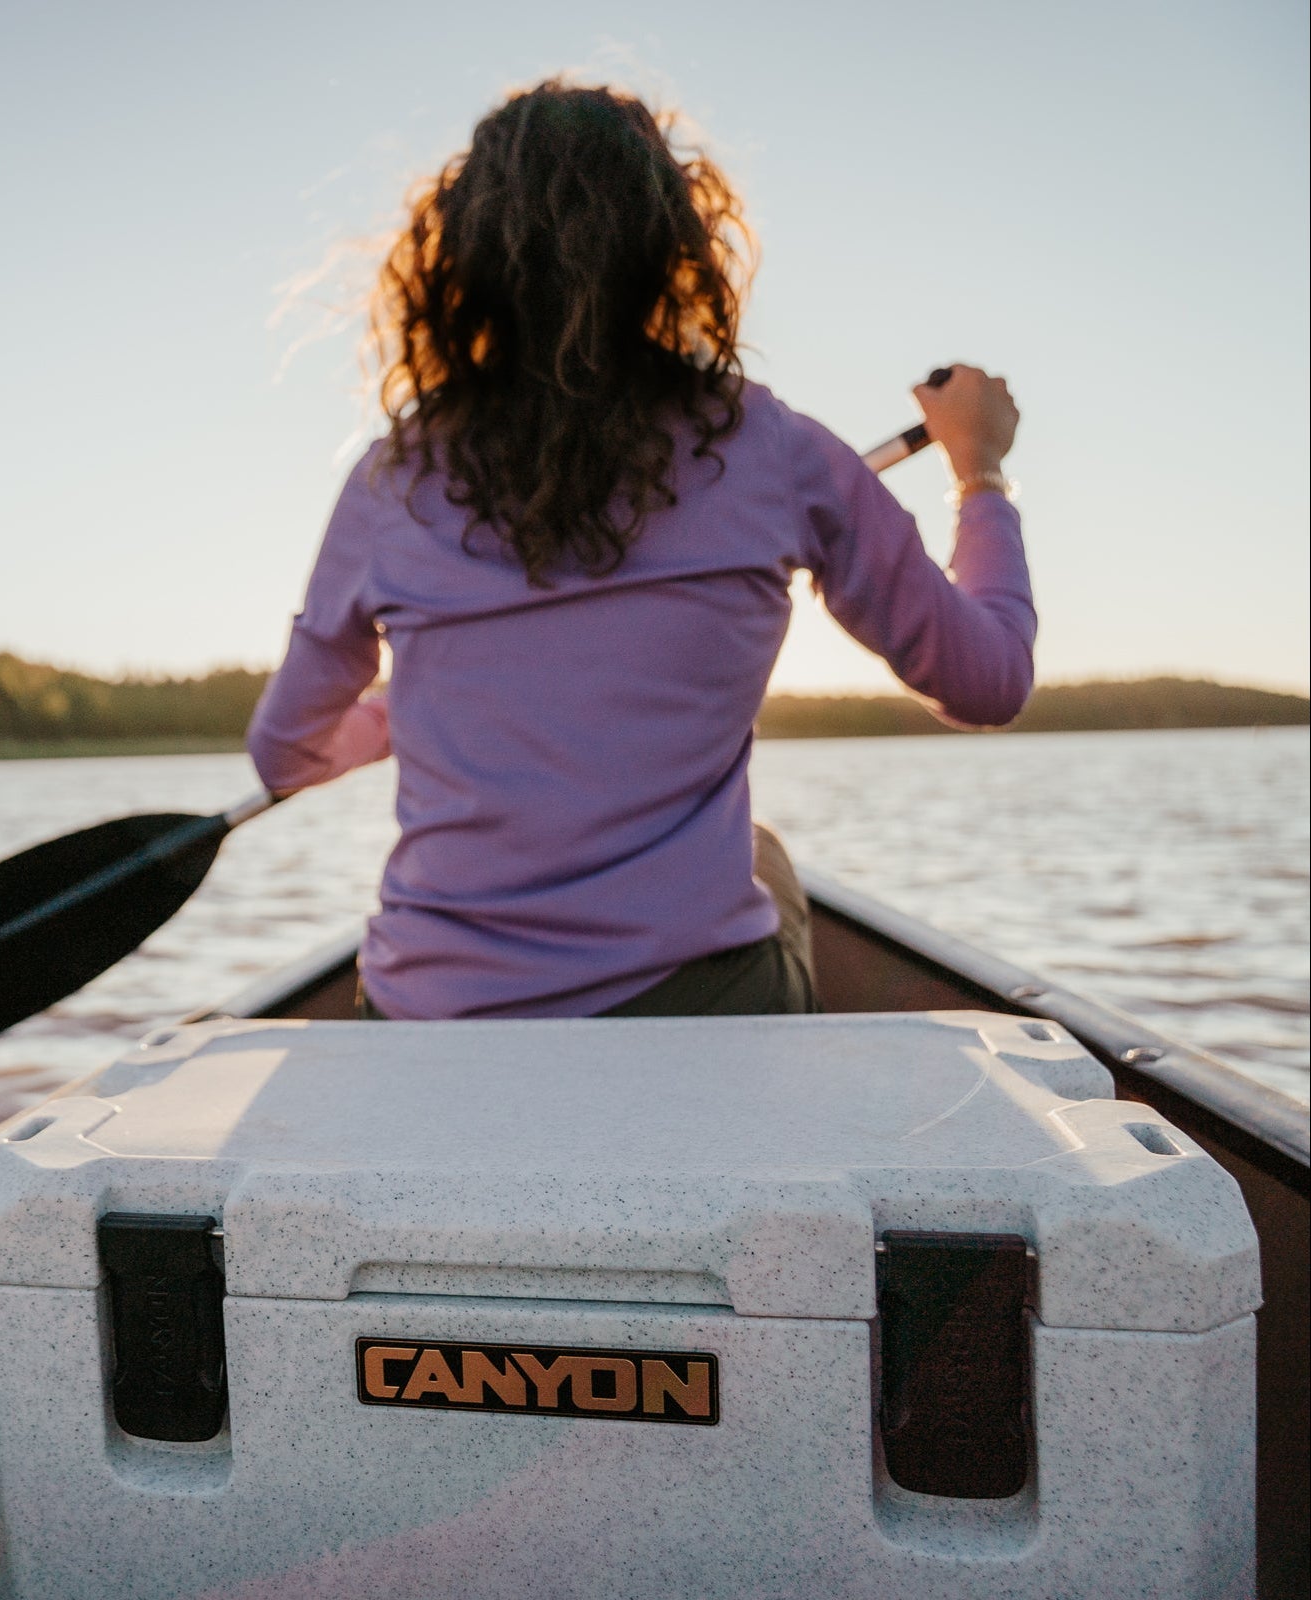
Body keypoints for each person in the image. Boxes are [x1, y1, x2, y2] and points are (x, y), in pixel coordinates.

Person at [247, 80, 1031, 1022]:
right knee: (767, 858)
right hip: (696, 1005)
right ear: (676, 249)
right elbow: (988, 682)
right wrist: (979, 471)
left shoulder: (391, 479)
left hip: (433, 1011)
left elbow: (284, 755)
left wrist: (392, 719)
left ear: (462, 264)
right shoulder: (777, 453)